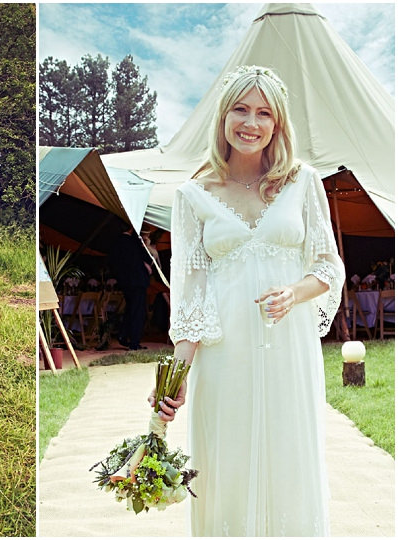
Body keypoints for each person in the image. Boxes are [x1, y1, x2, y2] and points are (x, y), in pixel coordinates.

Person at [150, 66, 344, 536]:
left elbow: (328, 267)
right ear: (223, 116)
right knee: (225, 461)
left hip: (289, 350)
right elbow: (190, 297)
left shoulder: (304, 182)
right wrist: (176, 377)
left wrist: (295, 292)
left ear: (277, 123)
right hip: (224, 353)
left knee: (289, 453)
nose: (250, 123)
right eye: (240, 109)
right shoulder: (193, 194)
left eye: (263, 112)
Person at [108, 223, 152, 350]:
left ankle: (123, 335)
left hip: (125, 282)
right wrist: (146, 245)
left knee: (130, 309)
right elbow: (146, 257)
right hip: (138, 281)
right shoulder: (134, 242)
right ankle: (134, 341)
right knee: (137, 311)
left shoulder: (117, 243)